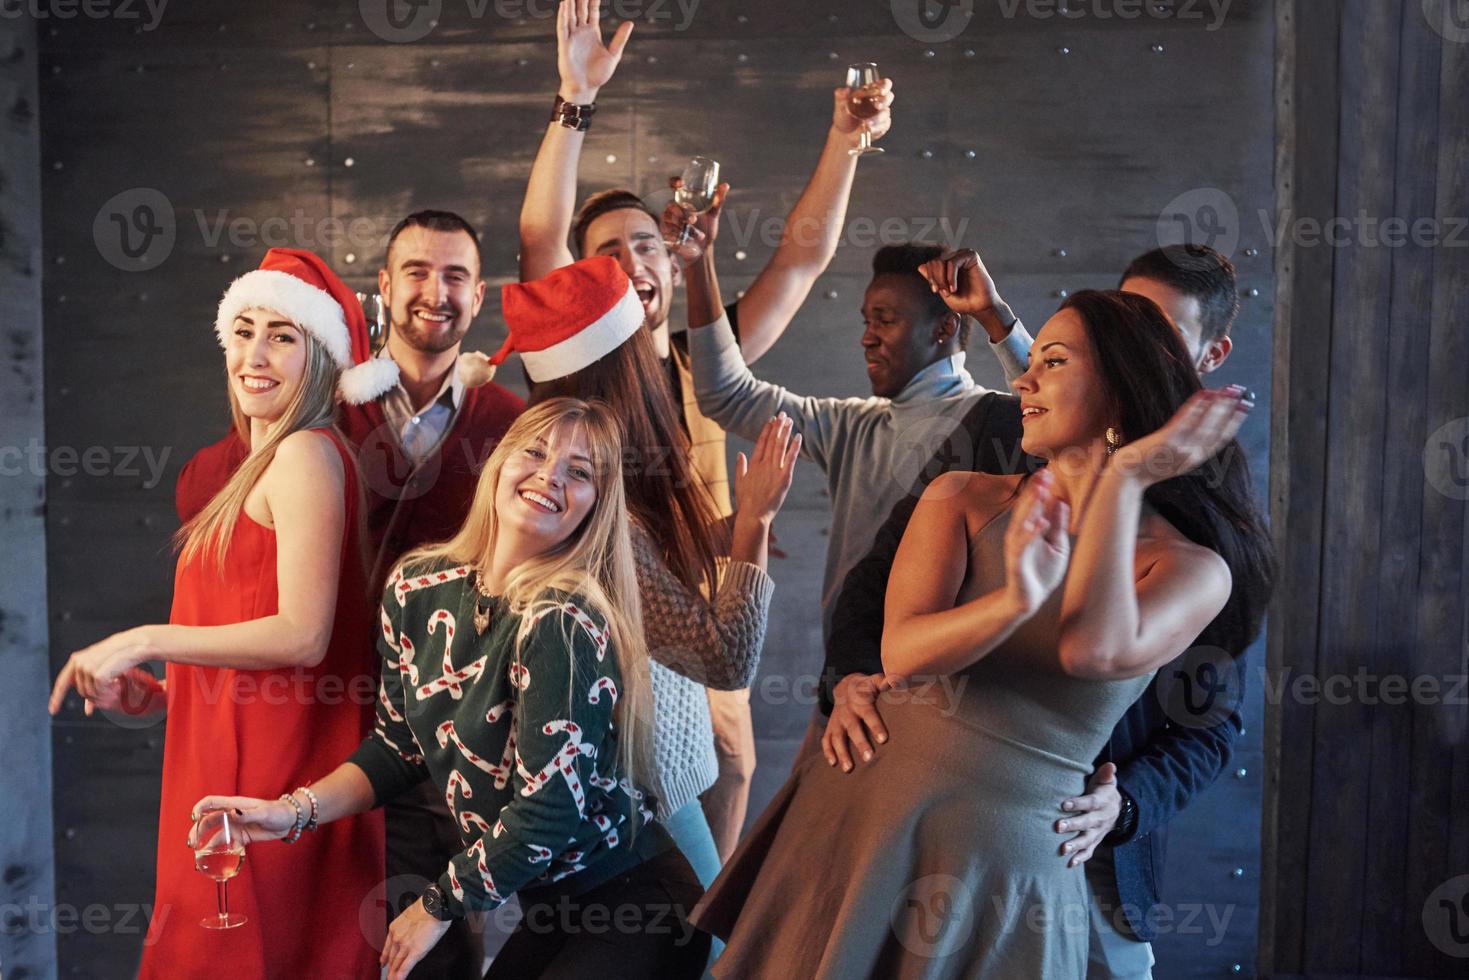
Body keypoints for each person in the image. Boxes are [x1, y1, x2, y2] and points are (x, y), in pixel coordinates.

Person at [692, 289, 1275, 977]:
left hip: (1004, 872)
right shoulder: (960, 495)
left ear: (1120, 393)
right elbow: (903, 651)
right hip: (857, 818)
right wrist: (1011, 601)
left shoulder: (1193, 567)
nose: (1022, 378)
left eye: (1052, 362)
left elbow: (1092, 650)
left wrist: (1122, 482)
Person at [518, 0, 893, 859]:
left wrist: (845, 142)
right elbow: (539, 235)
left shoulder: (700, 362)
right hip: (605, 627)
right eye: (606, 250)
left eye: (645, 244)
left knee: (722, 791)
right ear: (582, 281)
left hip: (705, 617)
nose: (631, 260)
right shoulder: (572, 368)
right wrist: (574, 96)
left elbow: (802, 260)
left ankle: (697, 946)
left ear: (668, 257)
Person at [822, 242, 1249, 978]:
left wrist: (1125, 805)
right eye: (1127, 315)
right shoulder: (991, 443)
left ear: (1199, 356)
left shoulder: (1200, 546)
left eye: (1158, 329)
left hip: (1078, 844)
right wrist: (851, 681)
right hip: (896, 814)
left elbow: (1208, 725)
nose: (1029, 380)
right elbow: (872, 595)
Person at [195, 397, 710, 980]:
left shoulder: (562, 619)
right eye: (535, 452)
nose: (550, 477)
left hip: (638, 905)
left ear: (595, 506)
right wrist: (291, 813)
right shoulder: (417, 588)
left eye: (580, 472)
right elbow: (397, 749)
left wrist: (439, 902)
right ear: (499, 463)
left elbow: (548, 811)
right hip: (549, 911)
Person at [175, 211, 524, 977]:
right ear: (384, 288)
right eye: (417, 273)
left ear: (480, 294)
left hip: (455, 730)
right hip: (329, 726)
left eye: (455, 275)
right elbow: (231, 528)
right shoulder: (327, 416)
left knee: (431, 944)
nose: (435, 292)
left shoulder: (508, 424)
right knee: (319, 932)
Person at [48, 249, 390, 978]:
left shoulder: (305, 454)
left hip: (272, 785)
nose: (254, 354)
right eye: (242, 330)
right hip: (227, 770)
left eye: (282, 335)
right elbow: (247, 641)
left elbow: (303, 634)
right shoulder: (262, 464)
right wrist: (166, 689)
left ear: (321, 357)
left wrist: (143, 638)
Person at [486, 258, 795, 913]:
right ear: (621, 364)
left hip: (628, 797)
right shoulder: (604, 511)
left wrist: (724, 532)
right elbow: (723, 658)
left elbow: (640, 590)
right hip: (634, 803)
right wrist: (754, 527)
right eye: (641, 348)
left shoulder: (585, 484)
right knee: (708, 956)